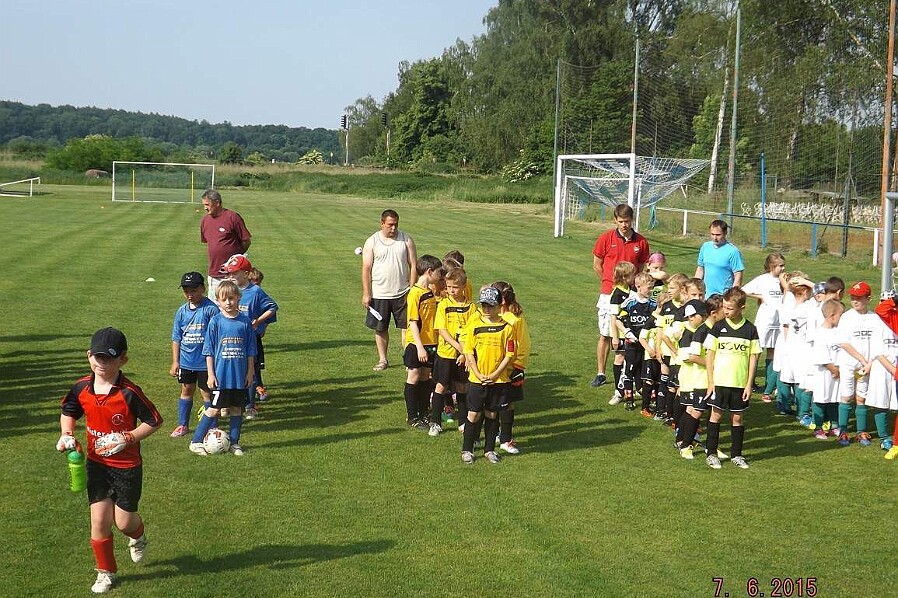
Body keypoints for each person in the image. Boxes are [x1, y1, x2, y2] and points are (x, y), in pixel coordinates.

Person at [56, 327, 163, 594]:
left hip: (127, 468)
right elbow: (68, 411)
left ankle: (137, 537)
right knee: (99, 521)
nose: (101, 364)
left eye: (108, 359)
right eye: (97, 357)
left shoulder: (129, 392)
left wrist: (128, 438)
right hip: (97, 465)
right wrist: (67, 434)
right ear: (89, 356)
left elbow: (155, 421)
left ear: (122, 360)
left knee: (124, 522)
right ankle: (106, 573)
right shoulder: (81, 387)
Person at [189, 281, 257, 456]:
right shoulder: (216, 322)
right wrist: (210, 374)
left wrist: (250, 371)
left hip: (239, 375)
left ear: (238, 299)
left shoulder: (245, 322)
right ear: (218, 301)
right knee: (213, 409)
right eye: (224, 299)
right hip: (220, 376)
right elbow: (209, 351)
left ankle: (234, 443)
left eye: (232, 299)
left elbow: (250, 349)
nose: (228, 303)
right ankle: (196, 441)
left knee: (236, 409)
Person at [591, 203, 650, 387]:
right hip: (609, 294)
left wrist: (632, 286)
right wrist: (609, 283)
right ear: (615, 220)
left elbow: (642, 267)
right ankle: (601, 373)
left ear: (632, 220)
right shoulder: (606, 238)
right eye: (621, 221)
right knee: (605, 334)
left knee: (629, 334)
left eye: (627, 221)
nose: (624, 225)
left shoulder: (641, 242)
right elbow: (597, 264)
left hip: (632, 295)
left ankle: (627, 374)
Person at [704, 287, 762, 469]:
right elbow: (710, 354)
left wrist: (748, 384)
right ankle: (711, 453)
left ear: (742, 308)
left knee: (737, 419)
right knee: (716, 416)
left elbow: (754, 357)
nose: (726, 311)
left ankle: (737, 455)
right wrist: (711, 381)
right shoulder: (718, 327)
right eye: (725, 307)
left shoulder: (750, 330)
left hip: (739, 383)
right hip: (720, 382)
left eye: (730, 308)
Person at [460, 286, 517, 464]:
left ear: (499, 306)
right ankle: (467, 449)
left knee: (492, 414)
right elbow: (468, 352)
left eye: (490, 306)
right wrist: (477, 373)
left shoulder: (507, 328)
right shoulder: (475, 326)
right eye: (483, 305)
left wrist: (494, 375)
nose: (486, 309)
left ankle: (489, 449)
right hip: (477, 380)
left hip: (498, 380)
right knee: (473, 414)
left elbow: (509, 355)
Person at [361, 209, 418, 371]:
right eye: (390, 225)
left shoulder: (406, 239)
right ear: (382, 223)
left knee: (407, 327)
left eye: (396, 225)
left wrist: (412, 289)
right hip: (379, 293)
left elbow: (413, 265)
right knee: (380, 328)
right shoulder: (372, 241)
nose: (393, 228)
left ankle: (409, 360)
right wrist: (366, 293)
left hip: (403, 292)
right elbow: (366, 268)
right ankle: (383, 360)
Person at [223, 255, 278, 420]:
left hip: (249, 340)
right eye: (229, 273)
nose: (230, 277)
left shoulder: (255, 291)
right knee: (228, 370)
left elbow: (272, 307)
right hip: (229, 339)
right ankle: (226, 404)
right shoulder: (228, 289)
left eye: (234, 273)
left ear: (246, 274)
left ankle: (249, 406)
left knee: (250, 372)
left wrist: (258, 321)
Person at [169, 272, 220, 438]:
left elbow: (217, 336)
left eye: (194, 290)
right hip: (186, 361)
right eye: (186, 291)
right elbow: (177, 337)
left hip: (205, 363)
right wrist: (175, 362)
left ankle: (211, 427)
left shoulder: (211, 309)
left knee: (207, 392)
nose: (190, 294)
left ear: (203, 289)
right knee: (186, 390)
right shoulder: (181, 311)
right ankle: (183, 425)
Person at [402, 254, 444, 429]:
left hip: (431, 342)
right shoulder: (414, 293)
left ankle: (423, 412)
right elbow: (412, 322)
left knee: (426, 377)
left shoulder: (430, 292)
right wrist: (419, 347)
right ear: (429, 271)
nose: (441, 276)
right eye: (439, 272)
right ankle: (412, 417)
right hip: (417, 344)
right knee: (414, 376)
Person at [836, 281, 878, 446]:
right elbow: (844, 343)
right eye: (853, 297)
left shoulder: (874, 318)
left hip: (866, 365)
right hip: (849, 363)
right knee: (846, 396)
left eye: (859, 298)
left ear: (868, 299)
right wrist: (862, 359)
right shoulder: (847, 317)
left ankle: (861, 431)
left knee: (861, 397)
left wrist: (870, 363)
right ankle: (843, 430)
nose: (855, 301)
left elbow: (877, 343)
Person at [742, 253, 786, 401]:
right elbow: (743, 291)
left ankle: (770, 384)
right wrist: (760, 297)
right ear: (772, 266)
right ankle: (748, 382)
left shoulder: (783, 280)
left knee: (773, 352)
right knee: (757, 351)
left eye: (783, 265)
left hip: (779, 321)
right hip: (765, 321)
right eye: (780, 265)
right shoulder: (763, 279)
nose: (783, 268)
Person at [495, 280, 531, 454]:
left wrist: (518, 367)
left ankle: (505, 438)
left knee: (507, 403)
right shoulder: (489, 317)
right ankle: (495, 435)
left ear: (501, 300)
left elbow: (523, 345)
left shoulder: (515, 320)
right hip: (492, 368)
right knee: (493, 403)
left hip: (509, 370)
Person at [615, 271, 657, 416]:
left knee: (647, 371)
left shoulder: (654, 304)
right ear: (639, 287)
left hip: (647, 344)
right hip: (632, 343)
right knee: (630, 370)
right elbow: (618, 319)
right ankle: (629, 398)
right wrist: (627, 332)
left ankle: (651, 398)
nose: (651, 291)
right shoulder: (630, 303)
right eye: (649, 288)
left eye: (652, 288)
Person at [199, 189, 252, 298]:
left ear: (217, 203)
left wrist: (236, 257)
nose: (205, 208)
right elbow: (210, 243)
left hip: (233, 275)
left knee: (232, 305)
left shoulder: (232, 217)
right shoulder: (205, 221)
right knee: (214, 308)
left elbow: (246, 241)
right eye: (204, 205)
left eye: (207, 204)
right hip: (214, 274)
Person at [694, 219, 744, 297]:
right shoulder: (705, 247)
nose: (714, 237)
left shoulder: (733, 251)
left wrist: (732, 296)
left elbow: (738, 275)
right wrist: (695, 288)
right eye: (712, 234)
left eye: (718, 235)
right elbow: (700, 269)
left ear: (725, 233)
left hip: (722, 297)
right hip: (705, 295)